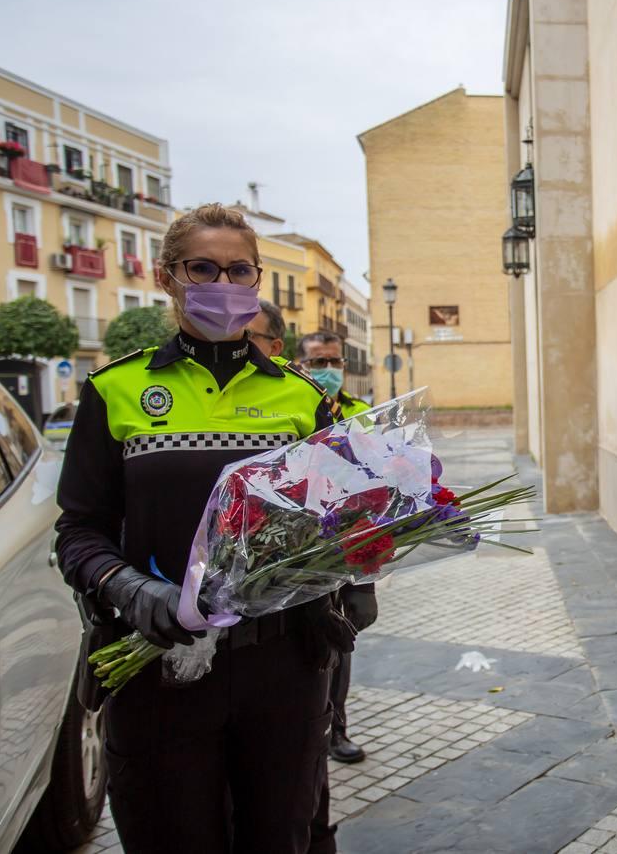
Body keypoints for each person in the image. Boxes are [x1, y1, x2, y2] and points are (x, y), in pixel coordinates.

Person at [55, 204, 344, 854]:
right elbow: (78, 531)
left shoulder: (305, 400)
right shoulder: (116, 391)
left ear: (258, 278)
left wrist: (352, 570)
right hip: (159, 670)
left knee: (282, 838)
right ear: (167, 276)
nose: (223, 283)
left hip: (282, 671)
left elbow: (333, 524)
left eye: (239, 270)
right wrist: (129, 589)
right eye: (203, 268)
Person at [293, 331, 377, 767]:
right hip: (298, 544)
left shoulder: (364, 413)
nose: (328, 368)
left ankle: (335, 728)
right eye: (318, 360)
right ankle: (300, 724)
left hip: (350, 541)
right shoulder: (293, 406)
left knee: (340, 640)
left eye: (335, 360)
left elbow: (380, 473)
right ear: (300, 364)